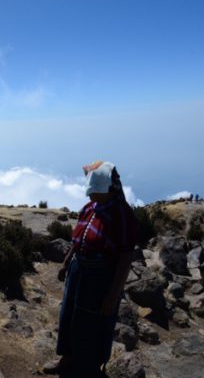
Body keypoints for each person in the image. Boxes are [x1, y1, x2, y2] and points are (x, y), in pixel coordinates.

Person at [47, 161, 138, 377]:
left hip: (100, 278)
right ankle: (67, 358)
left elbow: (125, 258)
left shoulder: (123, 216)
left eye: (95, 192)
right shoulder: (89, 209)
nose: (91, 196)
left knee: (92, 323)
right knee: (68, 315)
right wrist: (66, 263)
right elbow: (78, 240)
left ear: (109, 190)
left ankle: (88, 367)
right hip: (78, 271)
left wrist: (112, 296)